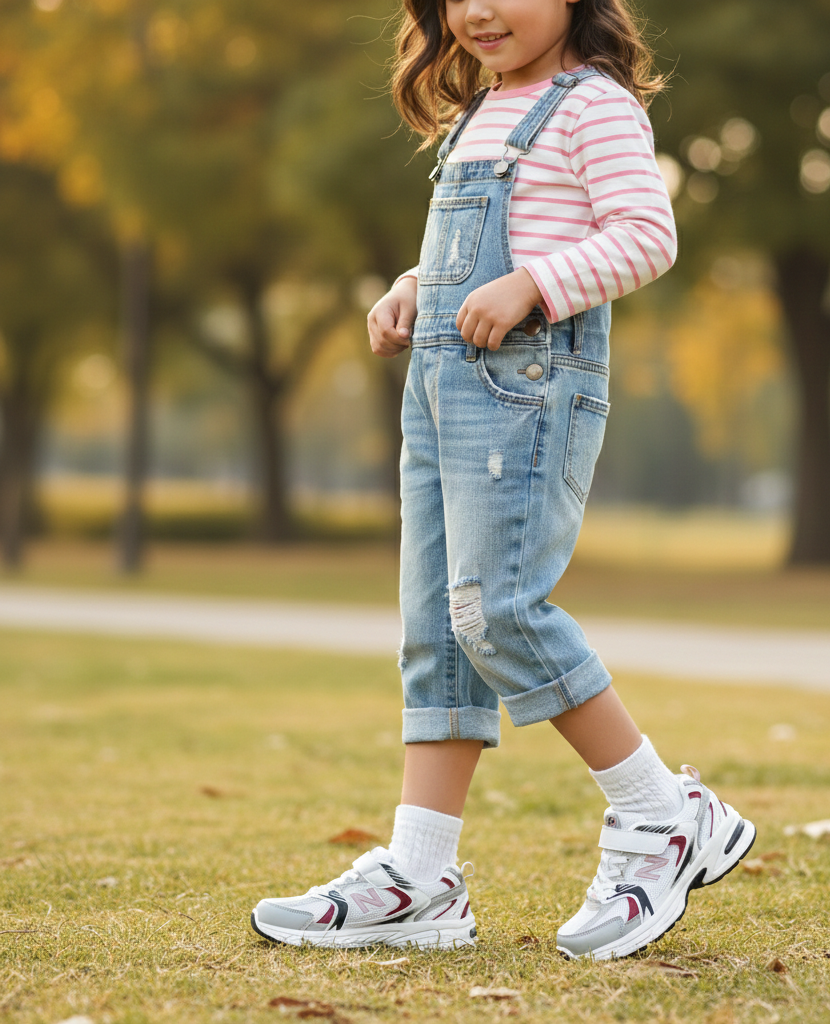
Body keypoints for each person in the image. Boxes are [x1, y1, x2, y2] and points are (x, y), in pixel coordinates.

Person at [251, 0, 755, 960]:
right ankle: (421, 874)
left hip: (526, 392)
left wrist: (535, 285)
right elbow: (476, 246)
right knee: (439, 627)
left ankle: (664, 814)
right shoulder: (481, 110)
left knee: (498, 611)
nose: (479, 9)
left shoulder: (590, 106)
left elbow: (648, 233)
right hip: (441, 395)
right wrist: (414, 286)